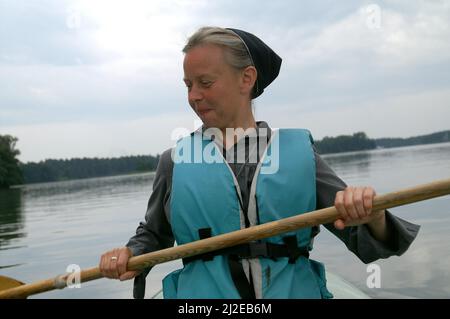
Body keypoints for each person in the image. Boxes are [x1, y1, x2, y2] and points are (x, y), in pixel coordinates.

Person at [99, 26, 420, 299]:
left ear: (246, 78)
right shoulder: (174, 161)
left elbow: (369, 239)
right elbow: (153, 236)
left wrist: (372, 214)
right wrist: (130, 254)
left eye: (205, 83)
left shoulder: (298, 154)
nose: (193, 96)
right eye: (188, 85)